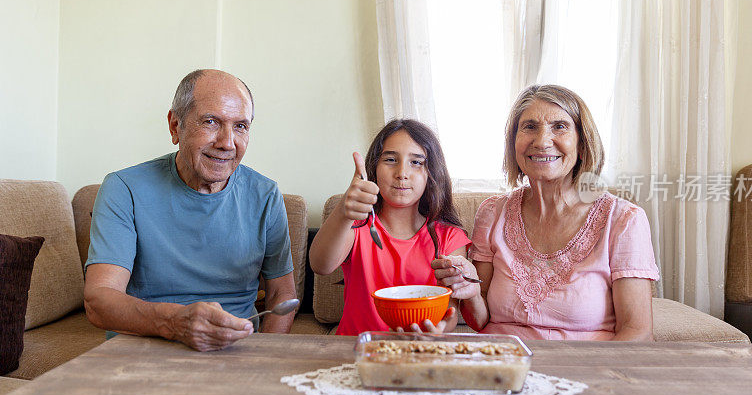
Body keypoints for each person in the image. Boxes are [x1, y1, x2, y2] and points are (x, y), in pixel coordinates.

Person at [83, 69, 296, 351]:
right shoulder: (124, 188)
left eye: (241, 126)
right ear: (175, 126)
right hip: (142, 350)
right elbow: (99, 300)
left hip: (235, 352)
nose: (227, 143)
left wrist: (262, 360)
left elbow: (283, 294)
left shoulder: (265, 195)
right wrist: (175, 323)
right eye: (211, 122)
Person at [434, 84, 659, 340]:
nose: (541, 141)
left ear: (582, 143)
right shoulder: (492, 212)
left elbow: (637, 332)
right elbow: (480, 320)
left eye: (560, 126)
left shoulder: (623, 219)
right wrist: (471, 290)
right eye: (529, 127)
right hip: (503, 366)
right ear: (513, 143)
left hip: (584, 372)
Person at [309, 119, 472, 335]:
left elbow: (450, 310)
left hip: (419, 352)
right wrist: (342, 212)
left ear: (432, 174)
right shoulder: (357, 225)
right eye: (391, 159)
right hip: (357, 351)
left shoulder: (449, 236)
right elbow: (320, 265)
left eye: (416, 162)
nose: (402, 173)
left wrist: (439, 329)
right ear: (374, 168)